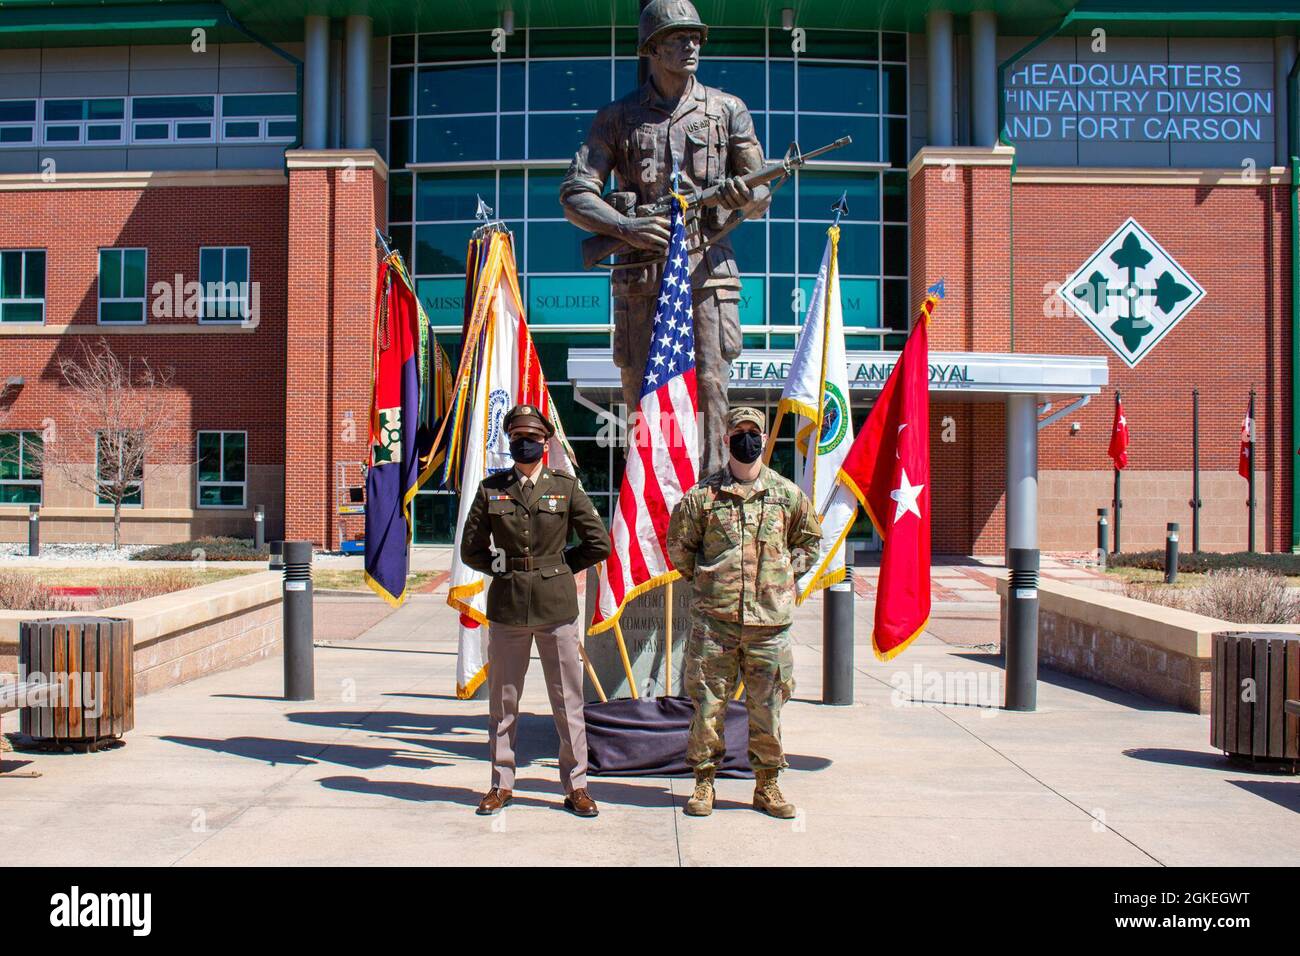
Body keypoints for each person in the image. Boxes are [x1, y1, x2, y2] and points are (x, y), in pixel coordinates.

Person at [560, 0, 771, 477]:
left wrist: (742, 197)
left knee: (713, 387)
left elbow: (761, 195)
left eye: (695, 36)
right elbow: (575, 194)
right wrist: (625, 227)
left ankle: (714, 497)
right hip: (641, 276)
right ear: (652, 48)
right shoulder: (617, 117)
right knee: (642, 389)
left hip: (707, 271)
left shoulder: (727, 110)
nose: (691, 44)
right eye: (678, 37)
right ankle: (651, 503)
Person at [666, 406, 822, 818]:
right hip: (714, 624)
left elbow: (809, 542)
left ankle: (767, 785)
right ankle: (703, 784)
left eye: (754, 433)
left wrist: (785, 573)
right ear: (726, 439)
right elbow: (679, 546)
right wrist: (707, 582)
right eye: (739, 432)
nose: (747, 439)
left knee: (767, 708)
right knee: (707, 706)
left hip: (768, 627)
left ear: (764, 438)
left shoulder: (788, 495)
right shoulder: (702, 497)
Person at [460, 404, 611, 817]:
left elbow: (598, 542)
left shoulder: (566, 487)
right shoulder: (493, 489)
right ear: (510, 442)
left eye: (532, 438)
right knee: (504, 702)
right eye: (517, 438)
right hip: (508, 605)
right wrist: (498, 566)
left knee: (567, 701)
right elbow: (471, 549)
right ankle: (500, 783)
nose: (525, 444)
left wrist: (559, 568)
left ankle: (576, 786)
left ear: (546, 443)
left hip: (556, 606)